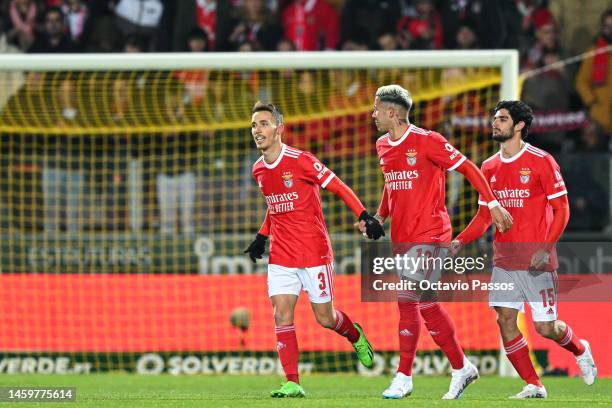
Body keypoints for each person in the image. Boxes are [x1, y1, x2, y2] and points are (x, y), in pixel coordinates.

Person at [362, 85, 512, 400]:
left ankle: (403, 376)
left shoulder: (428, 141)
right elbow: (392, 186)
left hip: (432, 233)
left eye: (377, 109)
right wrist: (379, 217)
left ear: (392, 112)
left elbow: (469, 168)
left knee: (406, 299)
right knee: (427, 304)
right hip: (403, 237)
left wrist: (493, 203)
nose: (373, 114)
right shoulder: (382, 145)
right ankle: (462, 367)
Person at [452, 100, 597, 398]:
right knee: (504, 320)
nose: (495, 123)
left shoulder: (542, 161)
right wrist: (459, 241)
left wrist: (546, 248)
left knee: (546, 328)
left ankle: (580, 349)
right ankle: (534, 384)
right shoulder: (488, 167)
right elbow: (483, 216)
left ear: (519, 125)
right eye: (494, 119)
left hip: (536, 261)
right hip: (504, 260)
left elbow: (562, 210)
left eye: (502, 119)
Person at [243, 101, 383, 398]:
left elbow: (338, 186)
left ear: (279, 129)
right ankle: (292, 381)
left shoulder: (302, 160)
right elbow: (275, 205)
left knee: (325, 318)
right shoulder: (258, 169)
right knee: (281, 314)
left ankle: (355, 334)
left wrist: (363, 215)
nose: (258, 130)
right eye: (254, 125)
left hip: (313, 253)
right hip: (281, 255)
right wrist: (262, 235)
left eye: (264, 123)